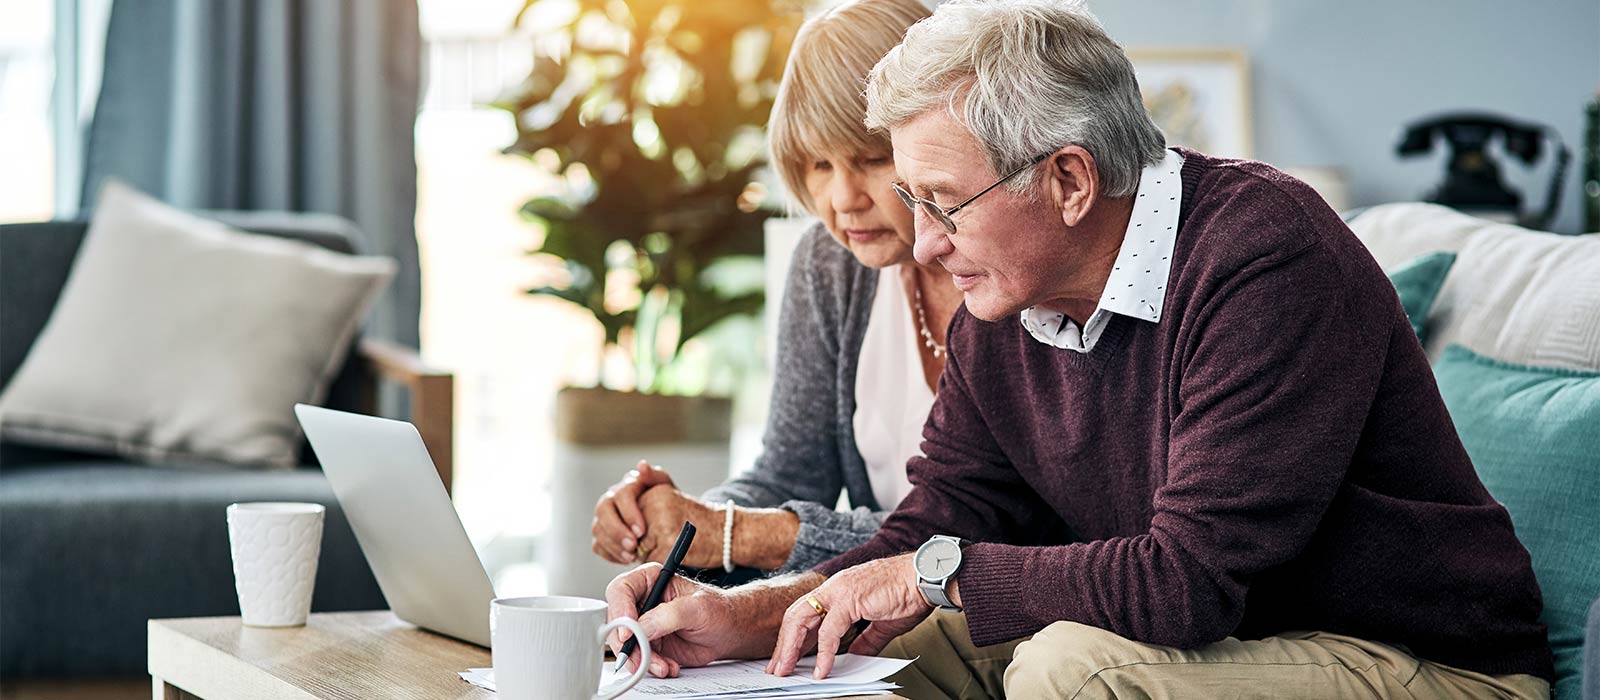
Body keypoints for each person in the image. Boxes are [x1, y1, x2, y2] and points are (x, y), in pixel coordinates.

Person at [602, 1, 1557, 697]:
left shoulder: (1265, 257)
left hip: (1421, 658)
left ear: (1066, 179)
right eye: (915, 203)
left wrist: (932, 574)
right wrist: (754, 613)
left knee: (1070, 670)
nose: (925, 243)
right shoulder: (1008, 294)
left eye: (944, 201)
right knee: (869, 660)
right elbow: (941, 522)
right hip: (1225, 636)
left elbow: (1187, 585)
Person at [588, 0, 955, 577]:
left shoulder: (1008, 266)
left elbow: (982, 533)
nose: (843, 200)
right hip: (865, 615)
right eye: (817, 165)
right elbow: (789, 472)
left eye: (872, 158)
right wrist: (683, 526)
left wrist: (734, 535)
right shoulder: (831, 263)